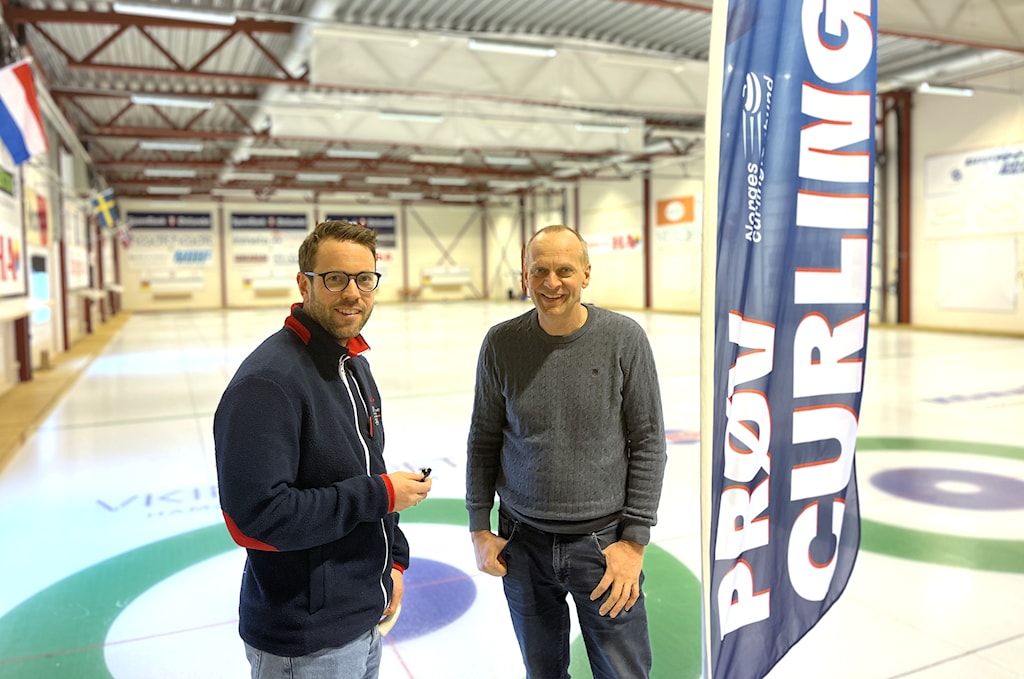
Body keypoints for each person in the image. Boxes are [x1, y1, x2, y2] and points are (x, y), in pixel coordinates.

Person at [214, 220, 432, 679]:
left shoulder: (352, 365)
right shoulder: (268, 383)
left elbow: (369, 467)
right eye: (335, 279)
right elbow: (254, 519)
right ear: (304, 283)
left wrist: (393, 561)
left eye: (364, 279)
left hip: (363, 618)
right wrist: (380, 495)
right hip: (306, 643)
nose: (352, 293)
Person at [466, 224, 667, 679]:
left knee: (624, 673)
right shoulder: (501, 343)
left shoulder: (624, 339)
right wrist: (479, 527)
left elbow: (649, 441)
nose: (551, 283)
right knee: (543, 672)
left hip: (603, 545)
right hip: (522, 544)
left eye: (564, 270)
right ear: (525, 276)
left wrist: (633, 541)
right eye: (539, 271)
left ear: (586, 274)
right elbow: (483, 438)